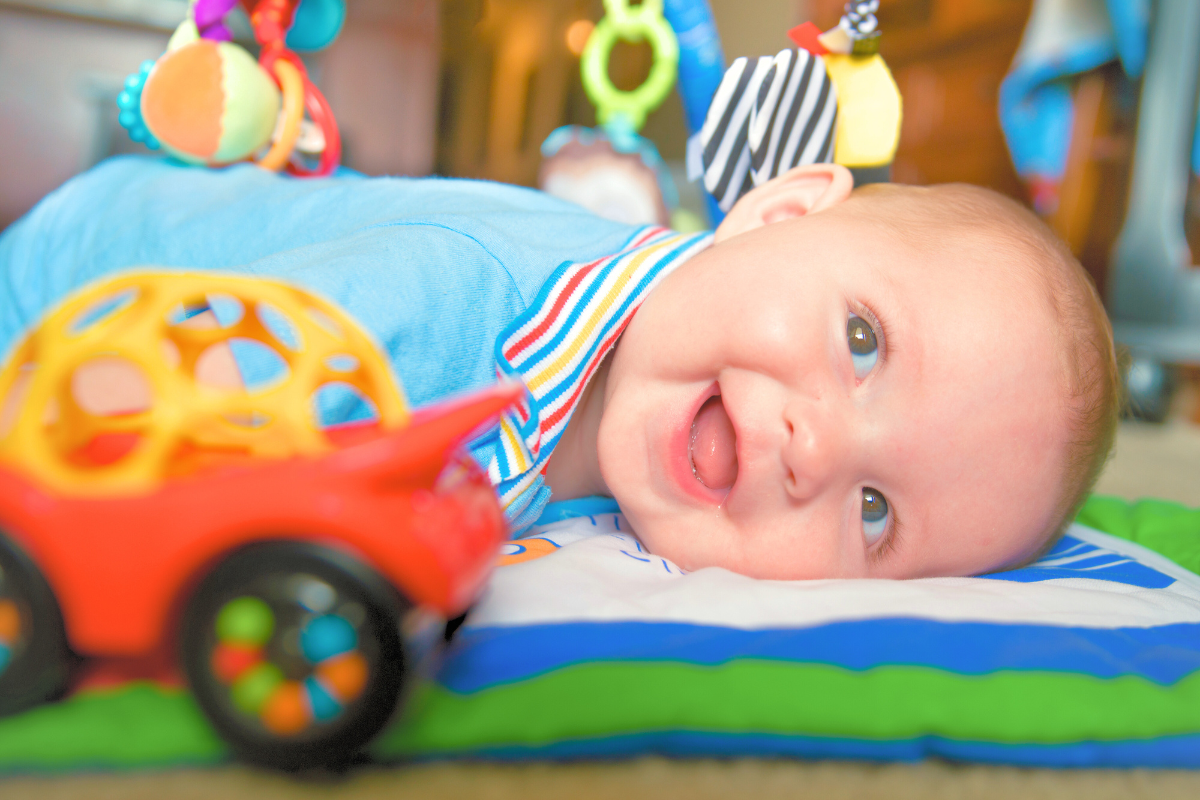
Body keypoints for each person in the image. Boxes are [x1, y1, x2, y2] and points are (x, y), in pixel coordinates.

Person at [0, 156, 1118, 580]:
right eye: (863, 340)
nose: (816, 444)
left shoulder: (649, 399)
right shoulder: (452, 297)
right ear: (776, 211)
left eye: (876, 514)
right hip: (62, 281)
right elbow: (137, 388)